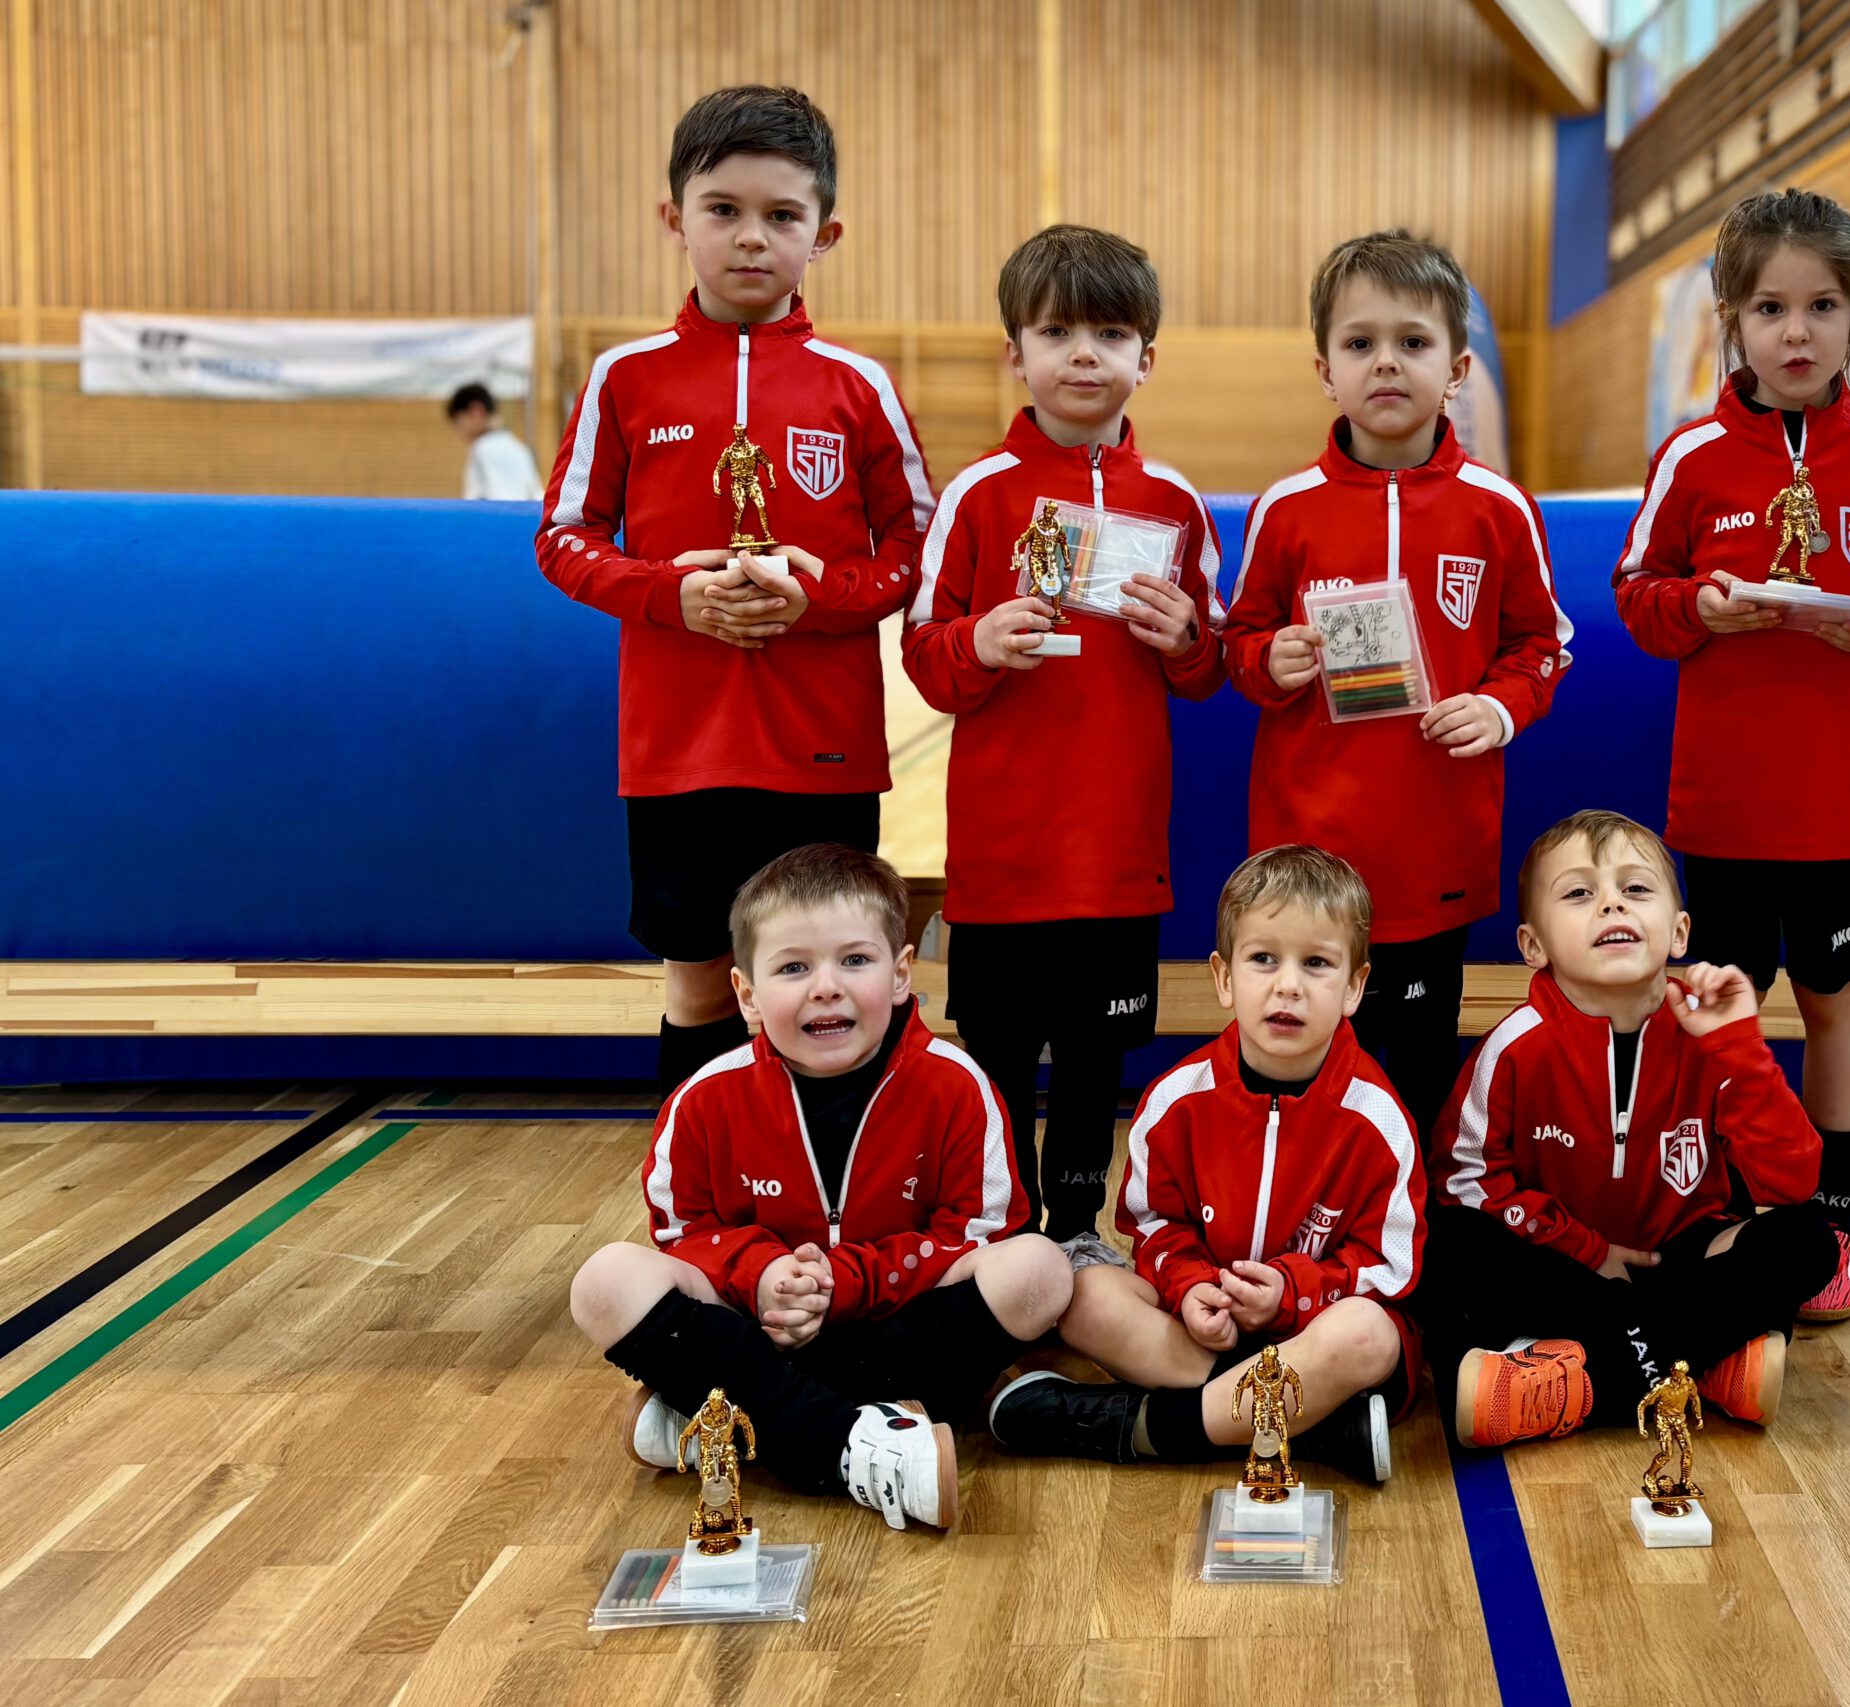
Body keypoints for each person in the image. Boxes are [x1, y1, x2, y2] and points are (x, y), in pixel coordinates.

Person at [534, 84, 938, 1099]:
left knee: (836, 985)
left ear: (825, 232)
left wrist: (827, 600)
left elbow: (918, 542)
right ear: (675, 219)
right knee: (701, 982)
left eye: (781, 216)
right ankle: (698, 1202)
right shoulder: (624, 378)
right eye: (723, 210)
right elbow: (561, 538)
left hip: (824, 747)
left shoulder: (861, 385)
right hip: (676, 752)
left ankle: (847, 1202)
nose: (751, 238)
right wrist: (677, 596)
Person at [1611, 188, 1850, 1322]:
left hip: (1844, 804)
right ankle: (1718, 1208)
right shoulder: (1692, 454)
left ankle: (1832, 1224)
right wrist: (1698, 611)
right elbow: (1636, 596)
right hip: (1724, 808)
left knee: (1836, 1003)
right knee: (1718, 1003)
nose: (1796, 332)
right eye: (1770, 306)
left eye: (1820, 306)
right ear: (1732, 317)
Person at [567, 844, 1072, 1531]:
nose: (826, 986)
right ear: (746, 993)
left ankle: (738, 1418)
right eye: (794, 967)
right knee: (604, 1279)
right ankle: (848, 1445)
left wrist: (845, 1279)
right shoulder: (705, 1099)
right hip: (765, 1330)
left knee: (1040, 1269)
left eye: (855, 960)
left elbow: (981, 1231)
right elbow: (681, 1232)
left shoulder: (956, 1084)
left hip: (898, 1336)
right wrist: (763, 1272)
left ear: (901, 976)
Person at [901, 224, 1224, 1265]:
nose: (1083, 353)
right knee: (995, 1055)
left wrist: (1185, 639)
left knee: (1094, 1060)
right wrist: (980, 641)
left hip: (1120, 856)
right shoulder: (978, 494)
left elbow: (1208, 666)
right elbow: (925, 657)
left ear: (1147, 358)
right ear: (1015, 353)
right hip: (1004, 857)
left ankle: (1077, 1234)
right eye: (1056, 330)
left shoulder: (1173, 505)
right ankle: (995, 1233)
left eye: (1110, 331)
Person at [1221, 229, 1573, 1130]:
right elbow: (1240, 642)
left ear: (1456, 367)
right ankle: (1301, 1229)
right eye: (1360, 343)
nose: (1387, 364)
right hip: (1306, 851)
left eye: (1412, 343)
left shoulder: (1499, 507)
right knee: (1297, 1057)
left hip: (1433, 852)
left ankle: (1403, 1245)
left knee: (1413, 1065)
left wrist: (1498, 707)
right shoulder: (1285, 507)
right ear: (1324, 368)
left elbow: (1543, 644)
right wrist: (1272, 660)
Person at [985, 847, 1422, 1483]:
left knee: (1369, 1336)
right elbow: (1152, 1227)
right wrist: (1191, 1288)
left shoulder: (1378, 1119)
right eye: (1263, 959)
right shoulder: (1175, 1100)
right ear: (1223, 978)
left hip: (1314, 1336)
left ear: (1355, 986)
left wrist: (1292, 1295)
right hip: (1203, 1335)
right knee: (1081, 1292)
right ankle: (1316, 1425)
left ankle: (1141, 1428)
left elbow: (1392, 1268)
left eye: (1318, 963)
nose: (1288, 985)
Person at [1423, 811, 1837, 1448]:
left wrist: (1742, 1051)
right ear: (1533, 946)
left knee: (1807, 1239)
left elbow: (1792, 1181)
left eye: (1635, 889)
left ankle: (1576, 1383)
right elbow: (1464, 1184)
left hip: (1682, 1260)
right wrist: (1588, 1251)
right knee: (1449, 1247)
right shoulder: (1513, 1049)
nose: (1611, 902)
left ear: (1678, 932)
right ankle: (1702, 1361)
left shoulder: (1714, 1038)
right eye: (1580, 893)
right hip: (1563, 1270)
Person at [447, 381, 544, 501]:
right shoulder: (520, 448)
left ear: (476, 411)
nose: (459, 431)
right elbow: (537, 496)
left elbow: (487, 503)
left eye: (459, 422)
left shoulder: (482, 449)